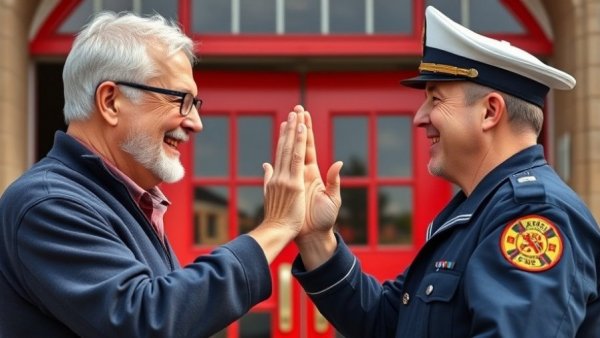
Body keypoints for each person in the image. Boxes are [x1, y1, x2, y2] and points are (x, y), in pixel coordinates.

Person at [291, 6, 600, 338]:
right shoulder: (476, 212)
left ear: (490, 112)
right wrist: (315, 239)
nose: (420, 118)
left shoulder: (532, 214)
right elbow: (386, 321)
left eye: (435, 100)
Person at [0, 12, 311, 337]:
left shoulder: (122, 200)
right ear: (110, 102)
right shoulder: (48, 203)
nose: (195, 122)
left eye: (195, 104)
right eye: (180, 100)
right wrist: (276, 226)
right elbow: (147, 321)